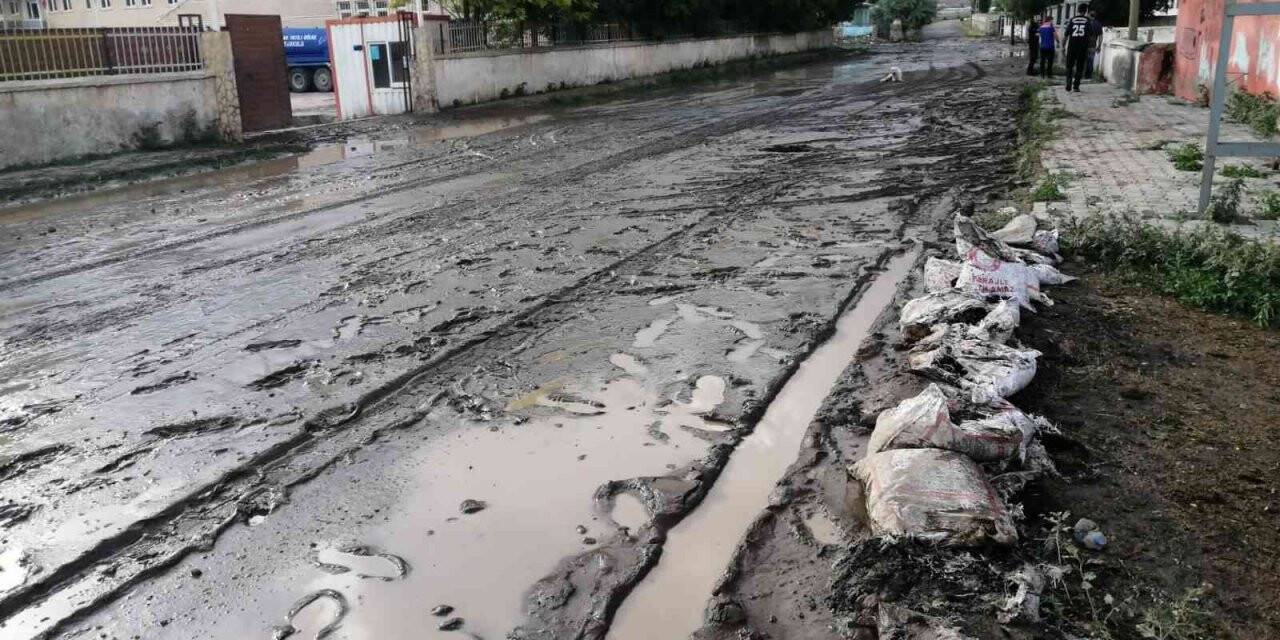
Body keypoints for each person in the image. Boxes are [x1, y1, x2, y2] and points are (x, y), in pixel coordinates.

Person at [1063, 4, 1095, 91]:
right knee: (1079, 67)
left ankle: (1068, 83)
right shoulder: (1088, 20)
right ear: (1086, 11)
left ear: (1078, 10)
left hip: (1072, 46)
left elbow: (1066, 35)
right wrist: (1090, 46)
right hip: (1082, 47)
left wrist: (1063, 46)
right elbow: (1091, 35)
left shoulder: (1072, 20)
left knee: (1069, 66)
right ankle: (1076, 86)